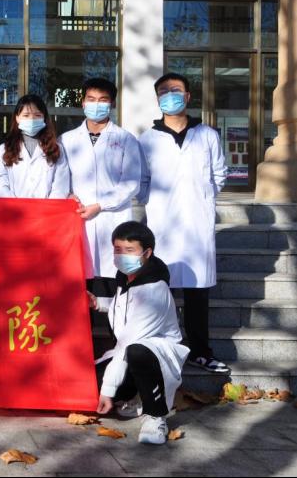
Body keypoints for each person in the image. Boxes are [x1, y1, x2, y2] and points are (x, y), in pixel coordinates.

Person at [139, 73, 229, 374]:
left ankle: (200, 352)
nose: (170, 95)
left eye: (176, 90)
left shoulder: (207, 135)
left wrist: (201, 198)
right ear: (157, 99)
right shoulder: (148, 139)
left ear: (188, 96)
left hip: (196, 225)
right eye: (163, 91)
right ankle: (160, 349)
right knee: (161, 289)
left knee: (197, 293)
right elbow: (142, 181)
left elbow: (219, 175)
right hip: (162, 224)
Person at [90, 221, 189, 445]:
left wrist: (108, 391)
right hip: (126, 353)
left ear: (147, 253)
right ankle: (136, 396)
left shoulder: (154, 290)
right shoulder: (127, 279)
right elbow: (125, 307)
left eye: (129, 250)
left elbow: (128, 342)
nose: (122, 255)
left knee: (137, 352)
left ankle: (155, 415)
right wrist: (98, 303)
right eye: (117, 249)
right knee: (87, 387)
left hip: (154, 356)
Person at [61, 78, 141, 296]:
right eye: (91, 99)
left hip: (112, 217)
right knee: (81, 280)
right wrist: (69, 195)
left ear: (112, 104)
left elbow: (131, 182)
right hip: (78, 216)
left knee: (112, 282)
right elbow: (60, 177)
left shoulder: (126, 139)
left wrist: (101, 205)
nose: (96, 104)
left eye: (103, 100)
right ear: (83, 102)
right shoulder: (66, 140)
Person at [0, 94, 70, 199]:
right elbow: (0, 182)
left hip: (47, 208)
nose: (32, 119)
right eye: (26, 115)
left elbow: (61, 186)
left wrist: (48, 206)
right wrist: (15, 204)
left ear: (44, 118)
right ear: (17, 118)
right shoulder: (3, 150)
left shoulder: (56, 148)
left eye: (37, 115)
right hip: (14, 207)